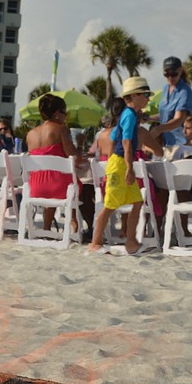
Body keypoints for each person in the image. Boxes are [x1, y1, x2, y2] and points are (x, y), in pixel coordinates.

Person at [88, 76, 154, 255]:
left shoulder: (126, 115)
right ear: (134, 96)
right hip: (121, 164)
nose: (148, 98)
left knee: (137, 202)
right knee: (110, 205)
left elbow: (113, 136)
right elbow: (126, 142)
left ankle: (131, 242)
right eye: (145, 94)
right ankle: (95, 242)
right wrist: (129, 168)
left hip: (119, 162)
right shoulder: (130, 116)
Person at [25, 93, 94, 233]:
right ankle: (87, 227)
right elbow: (74, 157)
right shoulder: (61, 129)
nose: (65, 117)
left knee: (56, 180)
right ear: (57, 113)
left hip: (35, 187)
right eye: (64, 113)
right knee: (85, 188)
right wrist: (80, 144)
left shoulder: (30, 134)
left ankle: (46, 228)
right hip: (58, 186)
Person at [150, 56, 192, 147]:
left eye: (174, 74)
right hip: (168, 143)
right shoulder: (166, 88)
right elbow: (166, 116)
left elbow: (179, 119)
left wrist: (159, 129)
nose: (170, 77)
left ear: (180, 71)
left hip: (182, 144)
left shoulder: (185, 91)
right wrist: (148, 117)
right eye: (167, 74)